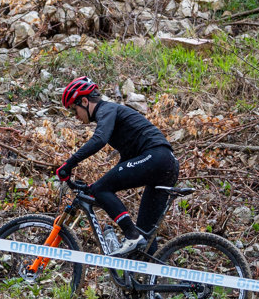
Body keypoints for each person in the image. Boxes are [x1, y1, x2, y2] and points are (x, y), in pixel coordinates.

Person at [54, 76, 178, 257]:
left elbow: (99, 139)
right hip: (166, 163)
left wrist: (68, 165)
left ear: (85, 101)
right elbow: (128, 160)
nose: (76, 117)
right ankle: (151, 282)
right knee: (145, 236)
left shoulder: (107, 109)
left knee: (102, 190)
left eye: (75, 110)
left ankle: (131, 235)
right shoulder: (113, 115)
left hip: (157, 158)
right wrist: (95, 187)